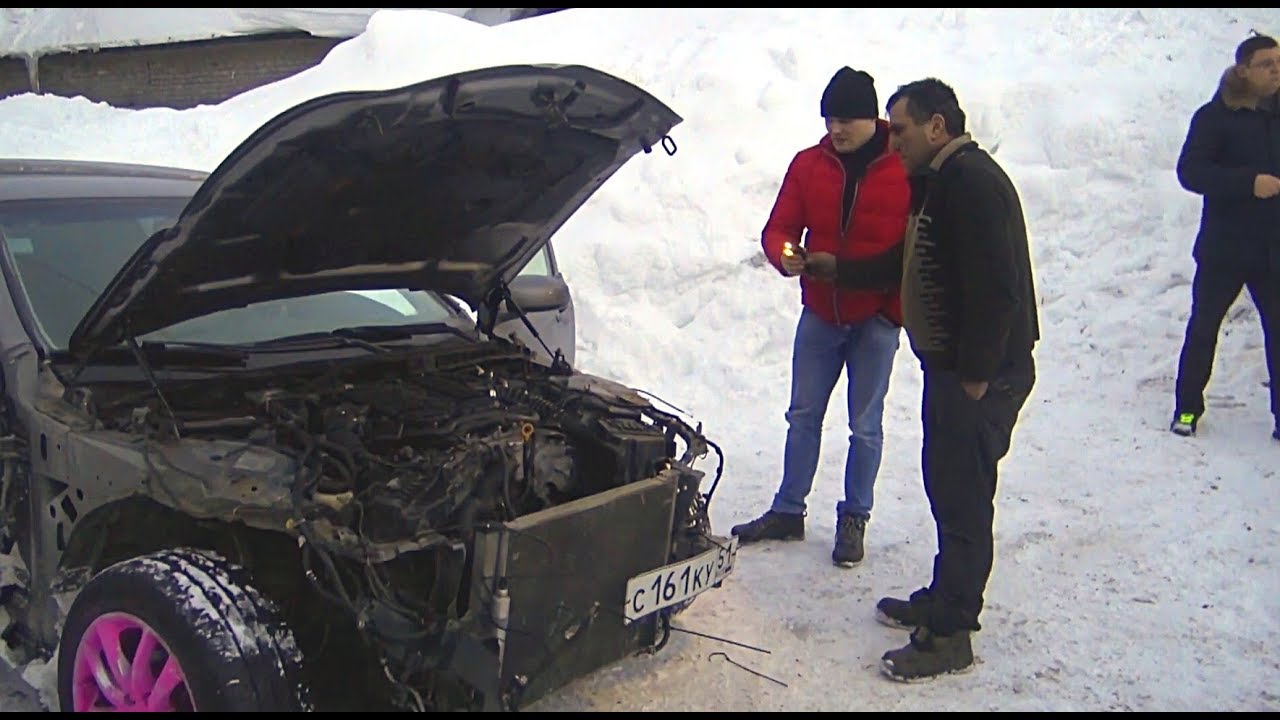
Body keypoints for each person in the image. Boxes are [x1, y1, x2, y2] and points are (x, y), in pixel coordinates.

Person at [808, 77, 1039, 681]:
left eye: (903, 130)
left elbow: (999, 288)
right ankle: (944, 594)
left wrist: (978, 375)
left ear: (938, 126)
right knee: (945, 482)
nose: (895, 141)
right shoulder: (938, 181)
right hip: (955, 369)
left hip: (978, 376)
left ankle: (952, 631)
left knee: (964, 496)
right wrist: (841, 269)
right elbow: (907, 260)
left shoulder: (972, 183)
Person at [730, 66, 910, 568]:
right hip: (820, 314)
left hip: (874, 318)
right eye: (831, 118)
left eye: (848, 118)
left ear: (873, 117)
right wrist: (783, 255)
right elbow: (779, 226)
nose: (838, 128)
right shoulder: (810, 165)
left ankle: (855, 517)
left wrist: (893, 312)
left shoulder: (904, 165)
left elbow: (916, 247)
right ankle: (789, 508)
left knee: (865, 425)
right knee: (803, 416)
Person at [1170, 33, 1280, 441]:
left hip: (1273, 249)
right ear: (1243, 70)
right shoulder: (1214, 117)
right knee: (1203, 329)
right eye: (1266, 64)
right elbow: (1191, 172)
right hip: (1224, 249)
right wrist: (1248, 183)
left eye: (1279, 62)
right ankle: (1186, 409)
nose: (1276, 70)